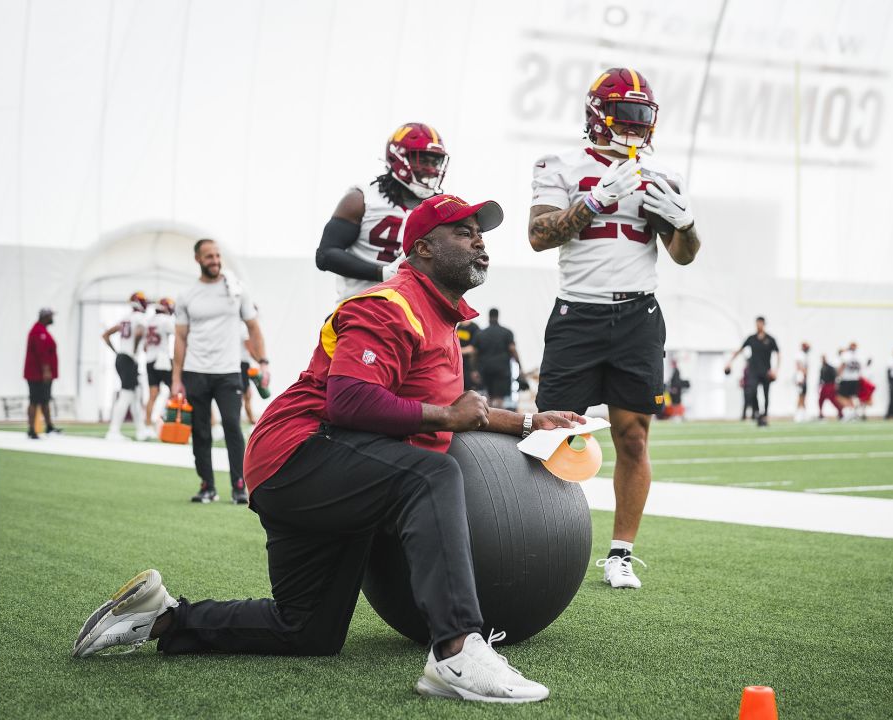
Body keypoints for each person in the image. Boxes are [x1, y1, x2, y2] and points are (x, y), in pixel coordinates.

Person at [71, 194, 582, 704]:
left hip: (324, 473)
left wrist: (532, 421)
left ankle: (161, 619)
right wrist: (447, 416)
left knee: (307, 630)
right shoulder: (388, 304)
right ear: (423, 248)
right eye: (464, 231)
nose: (480, 242)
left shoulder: (440, 318)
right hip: (300, 451)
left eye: (482, 233)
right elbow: (349, 400)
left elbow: (459, 409)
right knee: (430, 476)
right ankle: (455, 651)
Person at [528, 67, 702, 589]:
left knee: (634, 437)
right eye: (623, 114)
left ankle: (621, 553)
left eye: (639, 116)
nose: (632, 126)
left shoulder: (662, 171)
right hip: (577, 311)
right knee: (553, 438)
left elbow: (682, 256)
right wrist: (593, 202)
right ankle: (536, 542)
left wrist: (688, 225)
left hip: (637, 316)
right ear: (597, 115)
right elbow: (538, 235)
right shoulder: (559, 163)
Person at [172, 239, 270, 505]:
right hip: (195, 371)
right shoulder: (187, 296)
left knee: (231, 425)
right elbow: (180, 337)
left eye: (217, 255)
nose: (215, 260)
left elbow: (253, 327)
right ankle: (207, 486)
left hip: (228, 371)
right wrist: (176, 379)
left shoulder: (236, 290)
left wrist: (263, 362)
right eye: (208, 256)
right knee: (201, 431)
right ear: (198, 260)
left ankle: (240, 486)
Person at [315, 123, 449, 300]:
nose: (431, 169)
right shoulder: (361, 199)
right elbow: (326, 255)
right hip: (360, 307)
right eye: (423, 160)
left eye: (435, 161)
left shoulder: (439, 208)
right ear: (398, 158)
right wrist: (382, 273)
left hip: (413, 311)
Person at [102, 292, 152, 442]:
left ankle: (141, 430)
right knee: (126, 395)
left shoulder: (125, 318)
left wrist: (116, 351)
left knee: (135, 395)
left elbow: (105, 335)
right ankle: (113, 431)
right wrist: (136, 349)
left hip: (122, 357)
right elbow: (139, 333)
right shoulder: (139, 318)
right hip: (129, 359)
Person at [724, 317, 780, 426]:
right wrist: (730, 362)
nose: (758, 325)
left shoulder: (770, 339)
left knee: (766, 395)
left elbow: (778, 353)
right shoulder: (751, 338)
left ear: (763, 324)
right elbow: (740, 350)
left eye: (760, 323)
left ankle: (765, 416)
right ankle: (757, 412)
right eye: (756, 324)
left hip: (766, 372)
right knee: (751, 391)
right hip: (754, 371)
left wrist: (776, 370)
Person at [472, 308, 522, 409]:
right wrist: (520, 366)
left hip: (485, 369)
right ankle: (498, 421)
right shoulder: (507, 332)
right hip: (502, 370)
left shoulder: (480, 334)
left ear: (488, 317)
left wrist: (474, 370)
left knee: (488, 397)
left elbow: (474, 354)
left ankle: (489, 422)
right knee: (499, 399)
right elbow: (512, 350)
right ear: (498, 316)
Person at [23, 307, 61, 439]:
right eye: (51, 316)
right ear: (45, 317)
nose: (52, 319)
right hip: (37, 374)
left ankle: (49, 426)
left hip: (41, 374)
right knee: (34, 400)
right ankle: (32, 429)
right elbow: (42, 354)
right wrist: (46, 371)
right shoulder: (39, 332)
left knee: (45, 400)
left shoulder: (42, 331)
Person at [143, 298, 176, 433]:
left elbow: (145, 345)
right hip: (162, 360)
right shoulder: (165, 320)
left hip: (150, 360)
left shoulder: (149, 321)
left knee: (152, 395)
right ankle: (168, 419)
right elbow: (179, 334)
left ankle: (148, 425)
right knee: (175, 392)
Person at [837, 341, 865, 420]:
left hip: (846, 379)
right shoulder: (859, 355)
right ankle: (853, 413)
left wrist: (838, 376)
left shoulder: (846, 355)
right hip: (855, 379)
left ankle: (850, 412)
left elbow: (842, 365)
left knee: (840, 397)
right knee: (851, 397)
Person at [456, 317, 481, 391]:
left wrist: (457, 351)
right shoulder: (459, 327)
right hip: (460, 364)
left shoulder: (474, 328)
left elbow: (472, 349)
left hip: (470, 365)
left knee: (471, 389)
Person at [240, 321, 257, 425]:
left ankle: (250, 418)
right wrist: (261, 360)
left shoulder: (238, 326)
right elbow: (250, 348)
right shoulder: (245, 328)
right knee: (246, 394)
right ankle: (251, 419)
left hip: (241, 364)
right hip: (243, 364)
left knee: (245, 394)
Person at [817, 354, 840, 419]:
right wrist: (819, 386)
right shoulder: (822, 368)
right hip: (825, 385)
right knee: (820, 400)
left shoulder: (830, 368)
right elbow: (820, 378)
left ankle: (840, 413)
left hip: (830, 385)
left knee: (833, 400)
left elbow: (835, 376)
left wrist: (836, 384)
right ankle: (820, 414)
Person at [793, 341, 811, 422]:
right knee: (800, 396)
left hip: (803, 377)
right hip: (800, 377)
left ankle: (803, 413)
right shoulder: (800, 355)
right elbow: (798, 365)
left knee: (803, 396)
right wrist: (803, 374)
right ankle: (798, 414)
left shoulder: (804, 355)